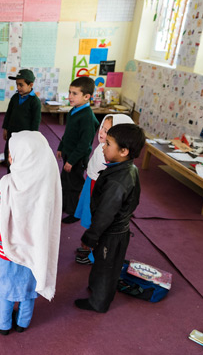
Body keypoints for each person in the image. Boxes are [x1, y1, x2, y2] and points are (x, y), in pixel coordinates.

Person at [0, 131, 61, 335]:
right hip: (34, 251)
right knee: (28, 289)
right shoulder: (47, 186)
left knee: (3, 290)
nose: (9, 156)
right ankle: (23, 322)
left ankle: (3, 324)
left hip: (5, 251)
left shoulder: (5, 185)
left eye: (11, 153)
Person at [75, 123, 146, 313]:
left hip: (112, 233)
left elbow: (105, 213)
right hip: (113, 230)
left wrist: (90, 237)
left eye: (108, 144)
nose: (103, 148)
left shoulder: (118, 181)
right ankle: (95, 289)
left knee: (106, 268)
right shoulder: (126, 168)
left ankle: (98, 303)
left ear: (124, 151)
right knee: (102, 262)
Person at [74, 114, 134, 265]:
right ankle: (90, 248)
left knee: (97, 221)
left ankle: (95, 256)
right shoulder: (103, 147)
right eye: (102, 128)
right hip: (92, 184)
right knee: (90, 216)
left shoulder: (111, 155)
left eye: (107, 131)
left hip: (99, 189)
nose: (101, 132)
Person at [57, 77, 99, 224]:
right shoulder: (73, 110)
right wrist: (61, 147)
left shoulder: (87, 117)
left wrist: (71, 161)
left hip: (77, 158)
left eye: (74, 93)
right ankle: (64, 205)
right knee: (65, 181)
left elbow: (84, 144)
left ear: (86, 97)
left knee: (74, 184)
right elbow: (68, 133)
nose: (70, 96)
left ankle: (75, 212)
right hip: (69, 153)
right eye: (69, 92)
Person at [2, 69, 41, 171]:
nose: (18, 87)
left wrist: (33, 137)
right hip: (11, 133)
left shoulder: (35, 101)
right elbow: (8, 113)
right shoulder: (15, 97)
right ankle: (9, 175)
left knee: (21, 158)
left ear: (30, 85)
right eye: (17, 84)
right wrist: (5, 128)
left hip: (24, 136)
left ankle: (19, 178)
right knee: (9, 156)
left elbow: (36, 121)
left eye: (21, 85)